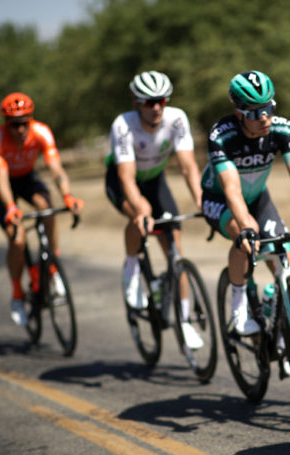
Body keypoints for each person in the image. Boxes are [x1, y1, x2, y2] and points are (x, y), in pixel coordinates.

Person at [201, 70, 290, 377]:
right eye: (255, 113)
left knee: (284, 255)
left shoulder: (282, 128)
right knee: (243, 233)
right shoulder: (221, 135)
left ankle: (281, 331)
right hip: (221, 200)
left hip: (259, 197)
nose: (265, 117)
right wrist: (247, 227)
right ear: (239, 114)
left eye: (270, 108)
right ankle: (239, 307)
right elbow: (231, 190)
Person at [105, 71, 204, 349]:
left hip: (155, 181)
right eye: (149, 102)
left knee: (175, 251)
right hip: (123, 182)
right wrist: (141, 207)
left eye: (161, 100)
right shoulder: (123, 125)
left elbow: (188, 166)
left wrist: (200, 199)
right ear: (137, 103)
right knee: (140, 217)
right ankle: (132, 268)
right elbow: (125, 177)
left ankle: (184, 322)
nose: (157, 107)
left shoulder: (177, 119)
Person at [0, 92, 84, 326]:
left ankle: (52, 267)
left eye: (24, 123)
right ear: (6, 123)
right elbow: (1, 180)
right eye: (14, 124)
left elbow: (56, 169)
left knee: (46, 207)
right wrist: (10, 207)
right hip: (4, 184)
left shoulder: (41, 132)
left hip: (27, 177)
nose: (20, 130)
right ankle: (17, 294)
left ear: (31, 120)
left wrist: (68, 196)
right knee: (18, 239)